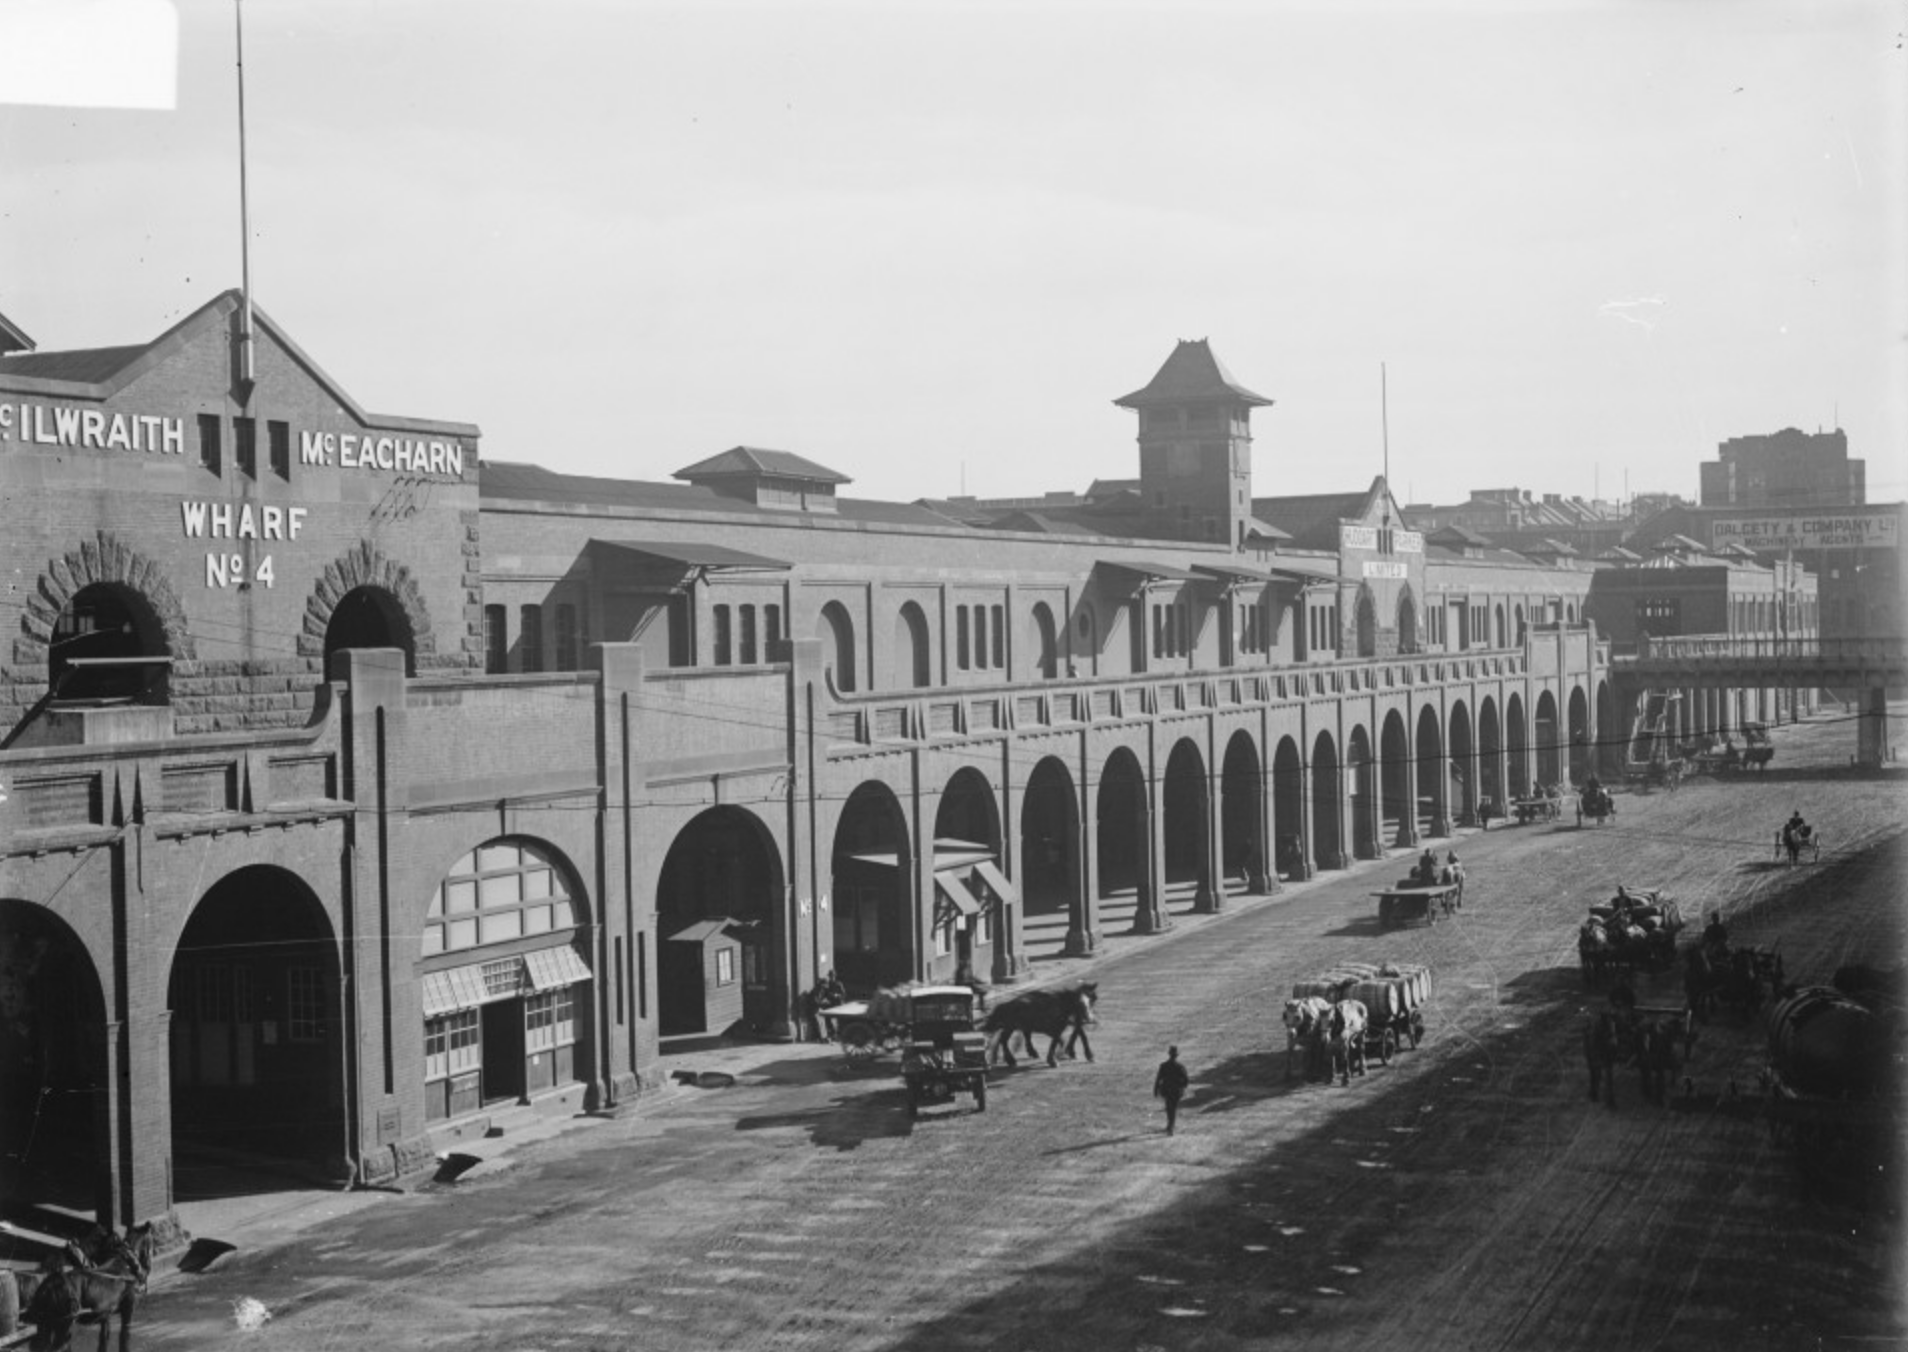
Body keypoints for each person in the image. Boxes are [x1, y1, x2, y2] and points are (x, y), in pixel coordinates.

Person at [1153, 1045, 1190, 1135]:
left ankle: (1170, 1125)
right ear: (1176, 1056)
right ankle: (1171, 1126)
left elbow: (1158, 1079)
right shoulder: (1180, 1067)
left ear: (1169, 1055)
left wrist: (1155, 1090)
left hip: (1166, 1090)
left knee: (1169, 1107)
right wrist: (1182, 1087)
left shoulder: (1164, 1066)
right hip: (1176, 1091)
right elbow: (1186, 1080)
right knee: (1173, 1108)